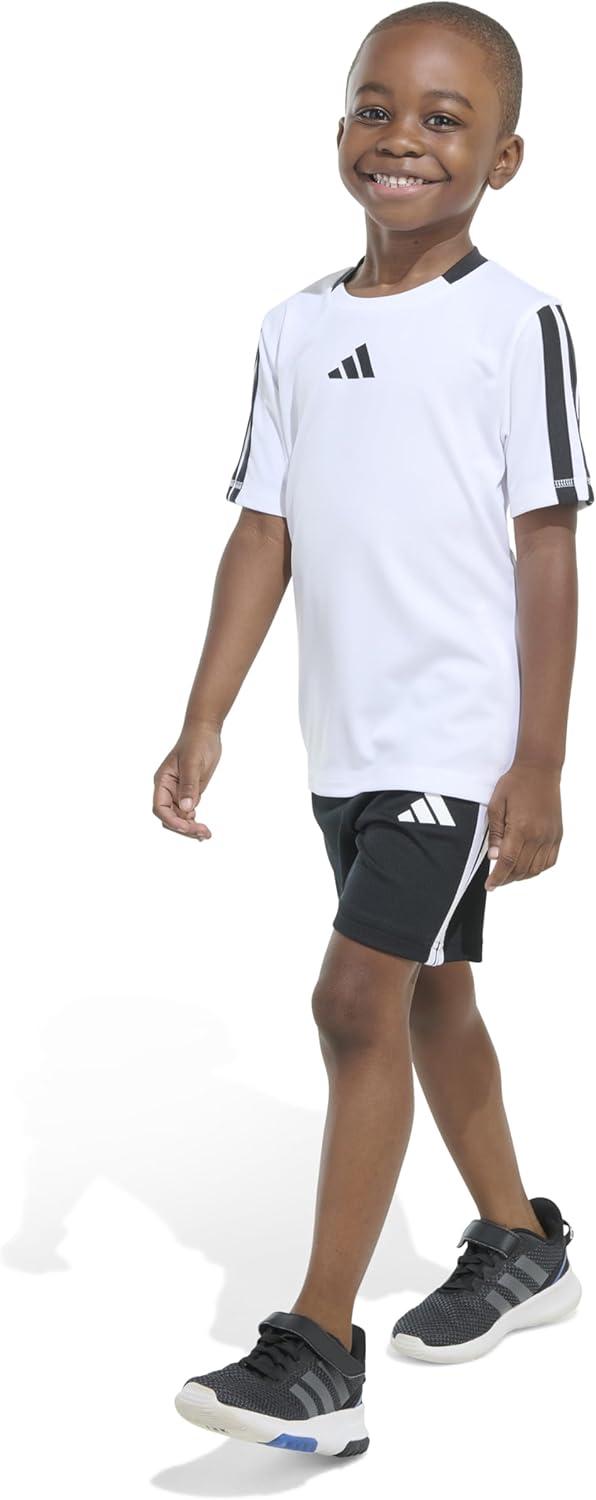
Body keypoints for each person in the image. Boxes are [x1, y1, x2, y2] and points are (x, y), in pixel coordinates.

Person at [154, 3, 590, 1459]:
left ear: (505, 157)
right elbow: (262, 528)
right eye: (375, 105)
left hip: (457, 743)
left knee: (355, 1002)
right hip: (342, 744)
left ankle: (319, 1354)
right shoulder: (293, 328)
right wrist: (204, 716)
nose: (402, 136)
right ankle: (520, 1241)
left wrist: (540, 759)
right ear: (340, 127)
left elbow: (547, 548)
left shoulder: (515, 321)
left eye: (445, 118)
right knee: (432, 998)